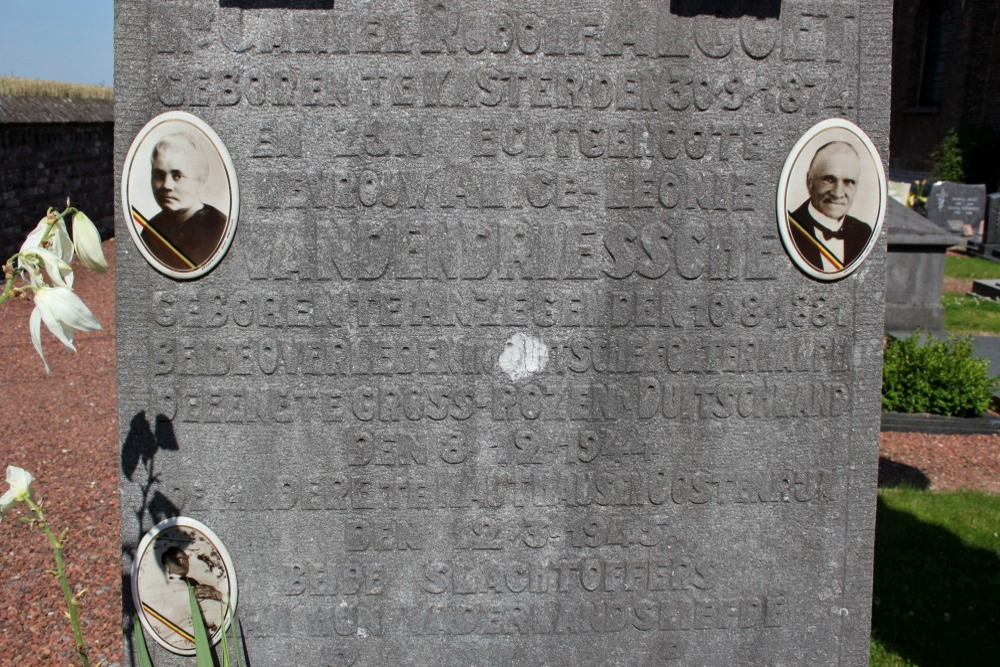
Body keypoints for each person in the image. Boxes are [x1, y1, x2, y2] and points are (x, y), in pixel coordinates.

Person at [140, 132, 227, 271]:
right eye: (159, 175)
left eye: (177, 176)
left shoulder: (218, 228)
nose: (166, 185)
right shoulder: (151, 231)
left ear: (200, 179)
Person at [787, 141, 873, 273]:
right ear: (809, 182)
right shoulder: (789, 228)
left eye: (848, 182)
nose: (838, 193)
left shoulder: (863, 233)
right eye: (829, 180)